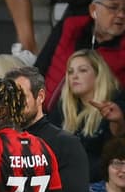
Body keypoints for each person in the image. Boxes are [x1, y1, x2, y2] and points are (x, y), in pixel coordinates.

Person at [36, 0, 125, 105]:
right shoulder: (70, 27)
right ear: (94, 10)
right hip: (45, 109)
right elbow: (39, 68)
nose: (121, 15)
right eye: (113, 8)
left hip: (93, 115)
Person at [48, 49, 125, 181]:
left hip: (101, 182)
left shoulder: (114, 104)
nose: (74, 76)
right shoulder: (62, 107)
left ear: (98, 74)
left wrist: (118, 122)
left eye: (82, 70)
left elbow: (115, 148)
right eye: (70, 72)